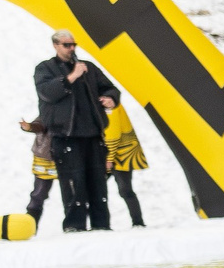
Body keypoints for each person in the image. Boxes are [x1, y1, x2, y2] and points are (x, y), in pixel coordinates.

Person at [32, 29, 119, 232]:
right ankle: (74, 225)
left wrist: (111, 99)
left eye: (73, 45)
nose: (71, 49)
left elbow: (109, 87)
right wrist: (71, 77)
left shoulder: (88, 68)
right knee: (73, 183)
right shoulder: (45, 69)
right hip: (66, 136)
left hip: (93, 135)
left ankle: (101, 225)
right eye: (66, 45)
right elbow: (47, 93)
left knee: (98, 184)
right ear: (55, 45)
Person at [105, 101, 150, 228]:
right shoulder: (110, 100)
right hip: (119, 154)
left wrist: (108, 159)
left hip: (121, 155)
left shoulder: (109, 104)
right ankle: (138, 222)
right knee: (125, 190)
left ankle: (138, 222)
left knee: (124, 190)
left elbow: (113, 134)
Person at [19, 117, 57, 228]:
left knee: (72, 192)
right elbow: (40, 124)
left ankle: (74, 224)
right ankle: (30, 223)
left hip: (67, 155)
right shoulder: (49, 107)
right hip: (45, 157)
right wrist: (29, 126)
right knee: (39, 193)